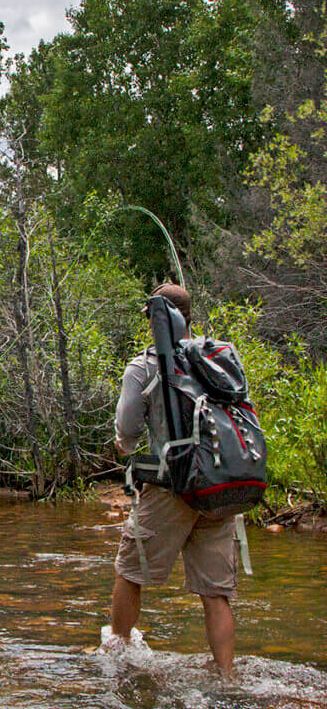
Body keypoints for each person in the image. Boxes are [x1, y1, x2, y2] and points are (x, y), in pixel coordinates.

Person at [107, 283, 238, 678]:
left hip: (171, 489)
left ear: (154, 320)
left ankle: (118, 653)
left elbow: (127, 429)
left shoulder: (143, 366)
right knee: (216, 594)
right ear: (188, 316)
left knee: (130, 571)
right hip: (220, 488)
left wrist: (124, 445)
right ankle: (227, 677)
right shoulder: (218, 358)